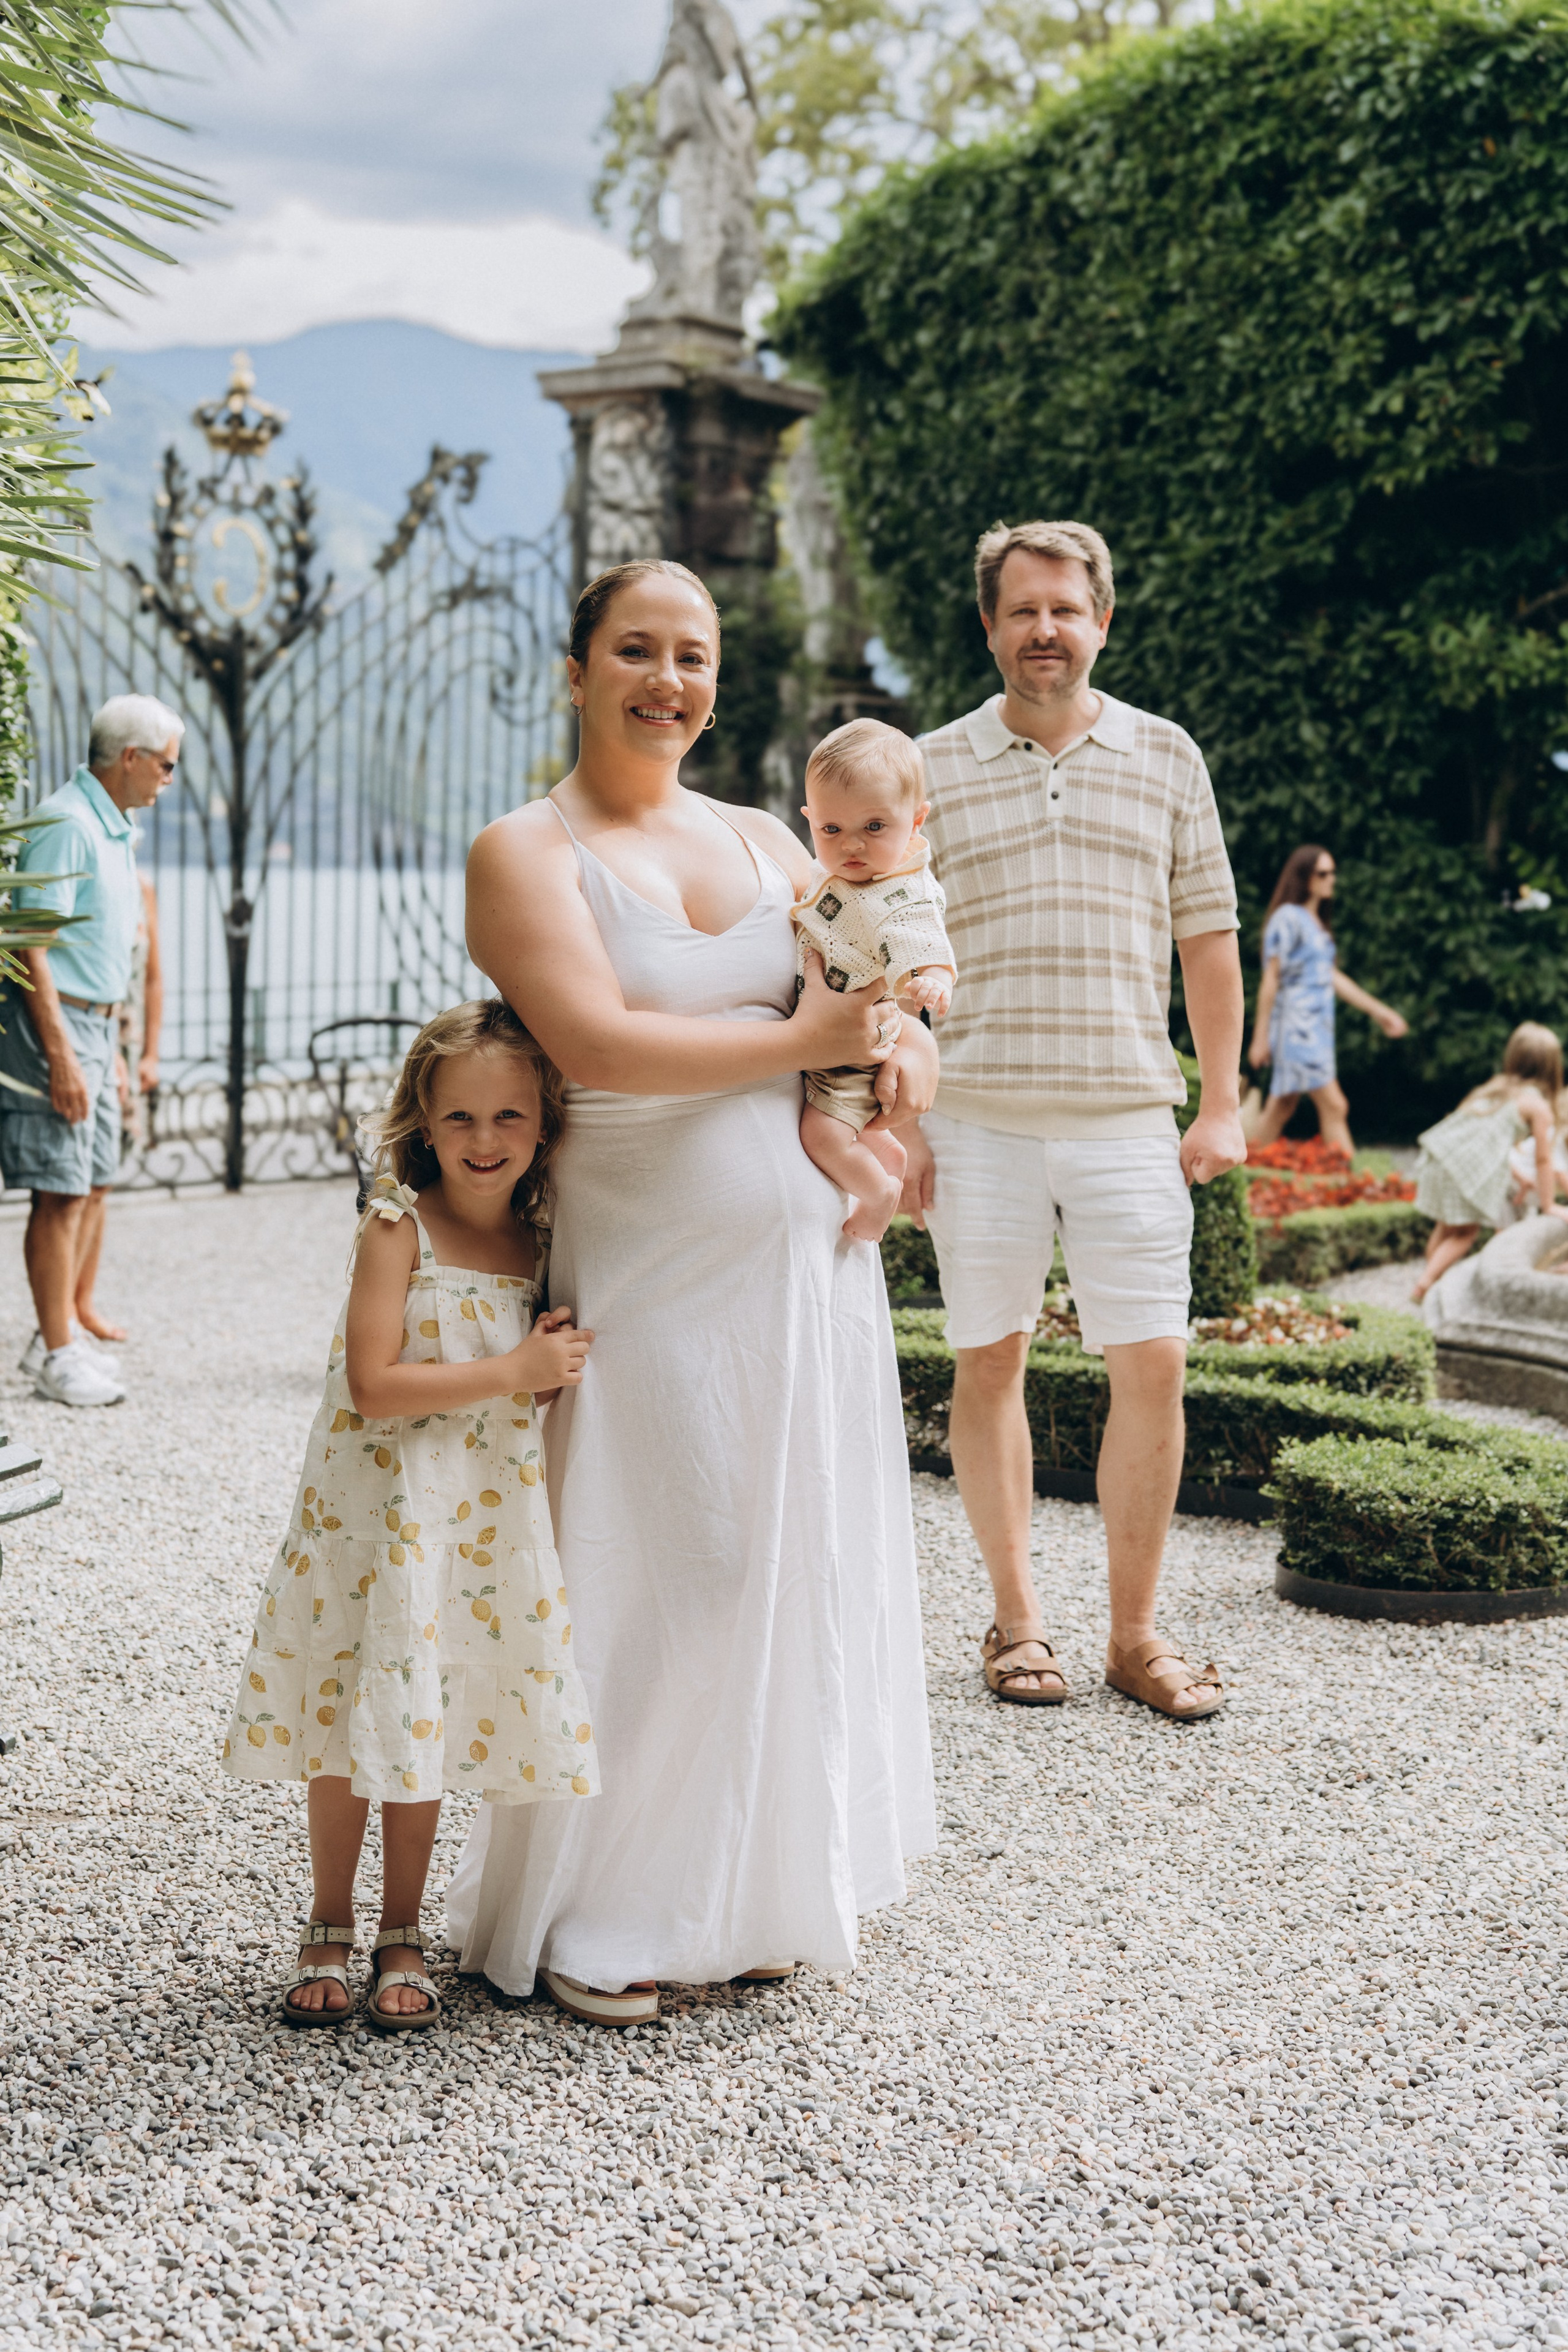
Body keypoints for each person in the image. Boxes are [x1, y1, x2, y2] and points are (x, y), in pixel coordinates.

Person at [446, 557, 937, 2026]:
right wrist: (810, 1042)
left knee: (794, 1556)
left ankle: (747, 1894)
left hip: (804, 1266)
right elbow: (593, 1046)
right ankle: (604, 1907)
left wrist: (900, 1061)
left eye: (695, 654)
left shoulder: (765, 837)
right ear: (579, 664)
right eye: (638, 649)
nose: (670, 679)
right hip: (651, 1256)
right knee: (672, 1560)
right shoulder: (523, 849)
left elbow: (865, 985)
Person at [898, 518, 1243, 1720]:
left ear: (1100, 620)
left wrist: (1223, 1105)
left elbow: (1207, 942)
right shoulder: (924, 769)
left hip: (1126, 1118)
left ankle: (1133, 1637)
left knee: (1150, 1366)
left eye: (1065, 608)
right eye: (1020, 609)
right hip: (975, 1116)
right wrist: (890, 1113)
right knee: (987, 1361)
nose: (1044, 629)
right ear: (988, 624)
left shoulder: (1166, 756)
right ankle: (1016, 1622)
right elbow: (878, 947)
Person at [222, 1000, 599, 2032]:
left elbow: (537, 1385)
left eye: (510, 1119)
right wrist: (517, 1368)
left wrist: (549, 1369)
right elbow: (374, 1383)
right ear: (423, 1124)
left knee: (420, 1720)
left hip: (467, 1530)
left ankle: (403, 1931)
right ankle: (330, 1919)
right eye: (462, 1119)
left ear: (545, 1124)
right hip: (375, 1517)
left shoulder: (543, 1238)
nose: (485, 1141)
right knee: (352, 1720)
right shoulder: (399, 1226)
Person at [1, 695, 181, 1406]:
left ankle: (60, 1335)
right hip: (64, 1027)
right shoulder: (67, 826)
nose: (170, 778)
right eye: (166, 765)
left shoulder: (111, 831)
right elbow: (27, 949)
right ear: (130, 759)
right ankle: (55, 1353)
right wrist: (64, 1056)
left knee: (91, 1182)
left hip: (95, 1027)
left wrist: (107, 1048)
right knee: (61, 1189)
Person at [791, 718, 957, 1242]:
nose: (852, 846)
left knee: (821, 1133)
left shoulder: (900, 892)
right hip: (831, 1037)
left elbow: (925, 940)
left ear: (916, 821)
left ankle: (880, 1192)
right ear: (810, 820)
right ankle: (885, 1153)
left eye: (875, 827)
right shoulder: (838, 873)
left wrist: (931, 980)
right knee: (847, 1125)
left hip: (854, 1047)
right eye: (831, 829)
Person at [1244, 844, 1408, 1156]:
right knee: (1335, 1104)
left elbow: (1331, 977)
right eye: (1323, 873)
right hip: (1297, 1028)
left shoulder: (1316, 922)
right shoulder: (1287, 918)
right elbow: (1271, 979)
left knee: (1282, 1106)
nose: (1331, 878)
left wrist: (1380, 1012)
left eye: (1332, 872)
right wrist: (1259, 1038)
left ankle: (1240, 1173)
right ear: (1304, 877)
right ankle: (1354, 1184)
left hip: (1316, 1030)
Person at [1409, 1022, 1568, 1303]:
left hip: (1440, 1157)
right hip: (1463, 1169)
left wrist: (1518, 1178)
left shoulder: (1493, 1088)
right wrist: (1549, 1205)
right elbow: (1543, 1159)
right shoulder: (1537, 1105)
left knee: (1446, 1227)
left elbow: (1482, 1141)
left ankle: (1431, 1281)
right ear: (1552, 1067)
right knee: (1466, 1234)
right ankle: (1424, 1285)